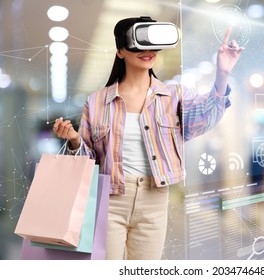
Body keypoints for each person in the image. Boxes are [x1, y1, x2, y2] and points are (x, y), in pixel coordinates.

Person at [52, 16, 243, 260]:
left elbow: (208, 114)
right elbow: (89, 161)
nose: (148, 51)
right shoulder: (97, 101)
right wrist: (75, 141)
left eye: (152, 44)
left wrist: (222, 74)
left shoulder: (173, 96)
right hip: (109, 200)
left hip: (154, 199)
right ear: (121, 51)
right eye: (139, 43)